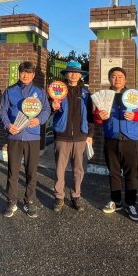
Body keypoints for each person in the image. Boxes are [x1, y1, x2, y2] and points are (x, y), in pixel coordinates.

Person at [95, 66, 138, 221]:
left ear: (125, 79)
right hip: (111, 139)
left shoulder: (134, 95)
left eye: (120, 76)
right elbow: (97, 118)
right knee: (113, 173)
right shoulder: (104, 96)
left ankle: (131, 204)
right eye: (114, 76)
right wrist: (100, 116)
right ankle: (116, 201)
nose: (117, 79)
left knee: (131, 174)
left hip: (130, 140)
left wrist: (135, 116)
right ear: (109, 79)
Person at [0, 61, 51, 218]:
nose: (25, 75)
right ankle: (11, 201)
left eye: (29, 73)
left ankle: (29, 201)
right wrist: (8, 125)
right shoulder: (10, 91)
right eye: (23, 72)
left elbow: (46, 109)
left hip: (32, 136)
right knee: (13, 171)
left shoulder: (39, 92)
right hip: (15, 135)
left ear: (33, 75)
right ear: (19, 73)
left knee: (31, 171)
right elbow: (3, 110)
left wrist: (39, 120)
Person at [50, 60, 95, 213]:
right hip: (62, 135)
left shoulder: (86, 93)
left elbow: (90, 116)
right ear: (66, 74)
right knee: (59, 169)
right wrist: (53, 106)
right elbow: (49, 109)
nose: (74, 75)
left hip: (81, 136)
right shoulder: (57, 90)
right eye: (71, 72)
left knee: (78, 169)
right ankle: (59, 197)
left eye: (77, 73)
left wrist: (90, 134)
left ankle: (76, 196)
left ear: (80, 75)